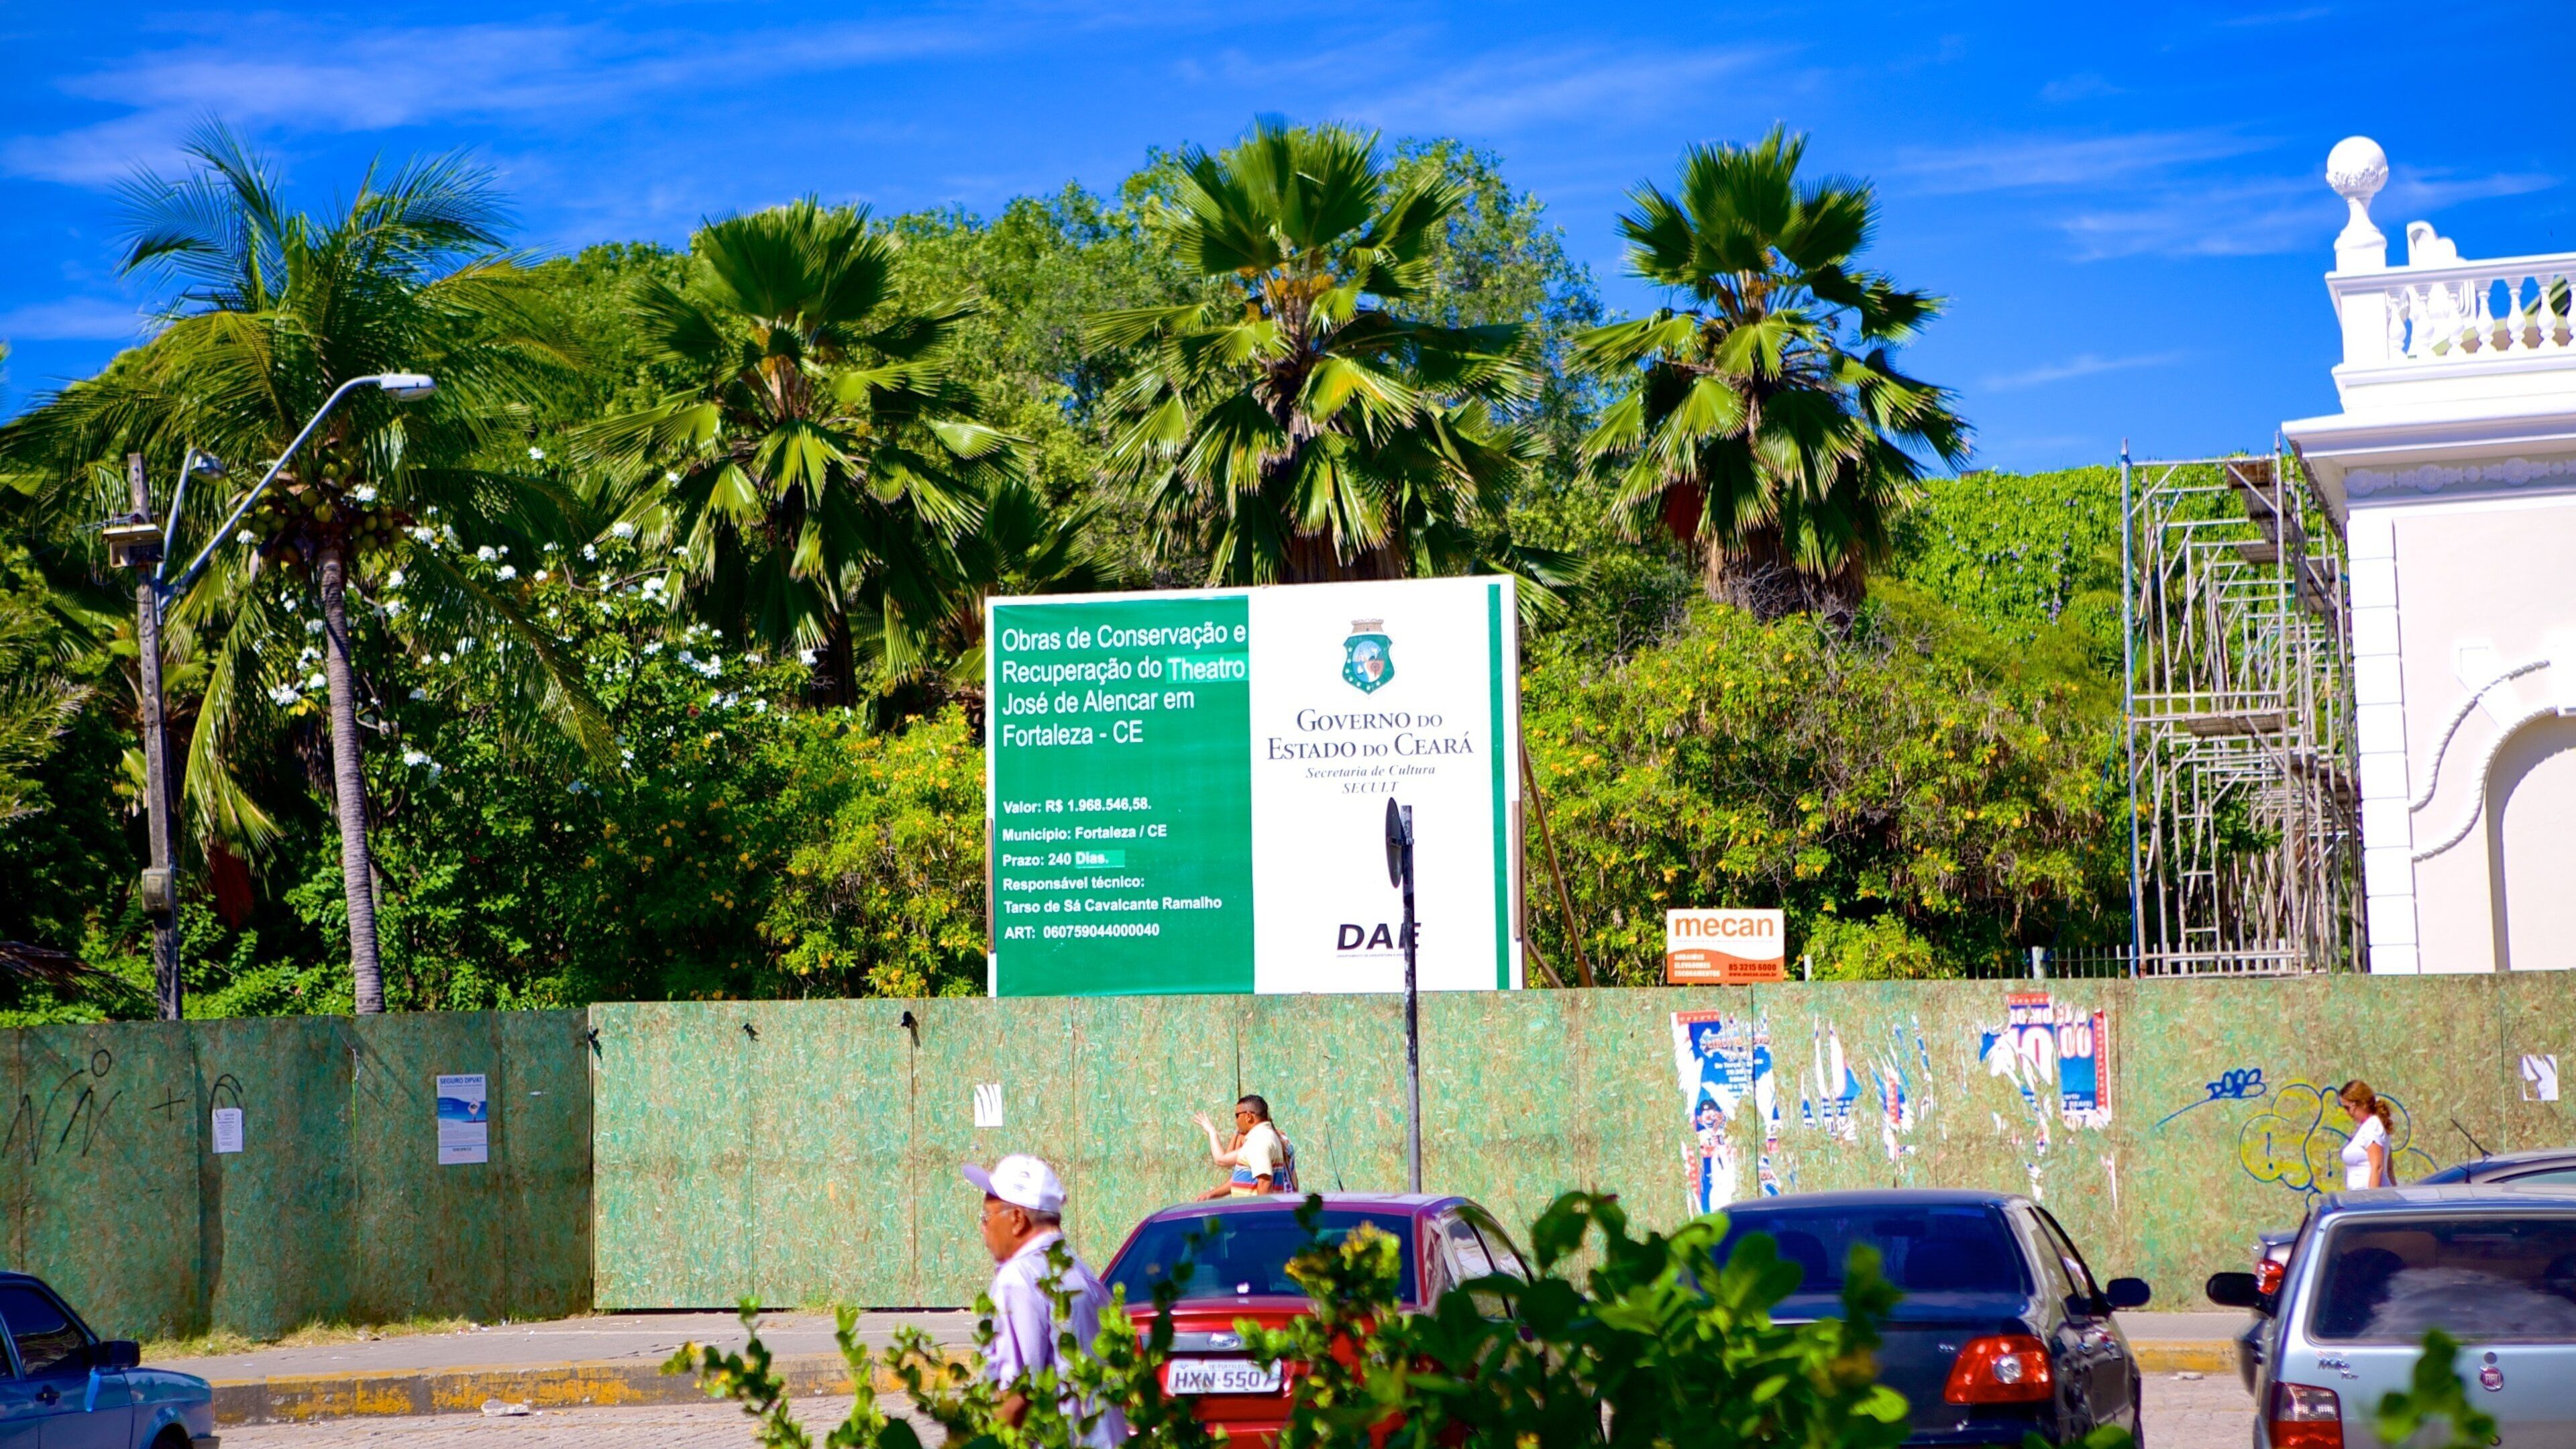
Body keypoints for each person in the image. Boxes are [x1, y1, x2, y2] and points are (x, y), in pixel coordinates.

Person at [964, 1154, 1127, 1447]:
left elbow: (1014, 1398)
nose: (983, 1229)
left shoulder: (1018, 1278)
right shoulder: (1082, 1274)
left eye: (986, 1218)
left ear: (1016, 1220)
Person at [1192, 1094, 1295, 1198]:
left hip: (1254, 1213)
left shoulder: (1259, 1141)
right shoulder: (1264, 1137)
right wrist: (1211, 1194)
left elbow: (1264, 1183)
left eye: (1237, 1115)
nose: (1236, 1121)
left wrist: (1262, 1214)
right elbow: (1245, 1176)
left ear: (1249, 1116)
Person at [2338, 1079, 2396, 1189]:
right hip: (2360, 1199)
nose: (2346, 1113)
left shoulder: (2373, 1127)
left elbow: (2378, 1167)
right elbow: (2389, 1168)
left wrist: (2370, 1201)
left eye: (2348, 1108)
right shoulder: (2368, 1126)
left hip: (2371, 1200)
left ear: (2363, 1104)